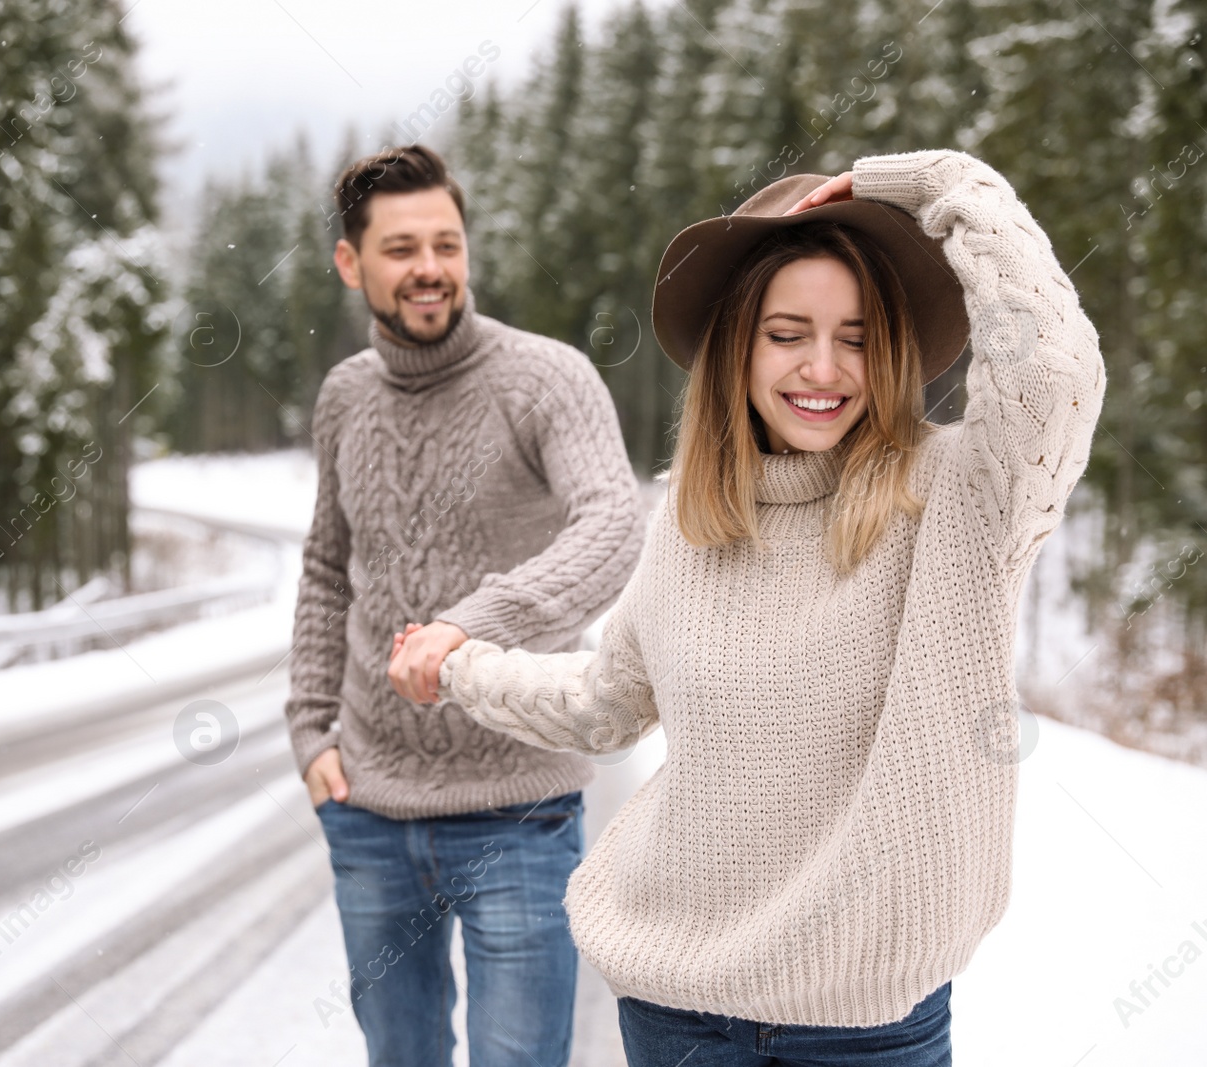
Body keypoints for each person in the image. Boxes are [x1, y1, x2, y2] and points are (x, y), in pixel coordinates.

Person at [397, 148, 1106, 1065]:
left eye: (855, 335)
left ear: (887, 347)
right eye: (787, 332)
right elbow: (604, 704)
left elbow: (1058, 374)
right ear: (739, 346)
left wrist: (939, 183)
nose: (824, 366)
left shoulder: (962, 492)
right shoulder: (687, 527)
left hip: (867, 1026)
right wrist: (462, 661)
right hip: (674, 1008)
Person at [284, 143, 646, 1067]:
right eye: (401, 248)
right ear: (350, 263)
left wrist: (470, 628)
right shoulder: (344, 399)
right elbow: (328, 566)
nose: (430, 268)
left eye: (447, 243)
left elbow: (615, 525)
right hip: (368, 807)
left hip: (519, 810)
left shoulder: (546, 379)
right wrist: (310, 733)